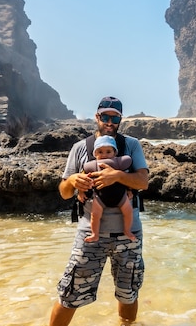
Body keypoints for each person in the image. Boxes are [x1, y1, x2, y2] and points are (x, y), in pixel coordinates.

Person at [49, 96, 149, 326]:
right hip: (89, 235)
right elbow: (64, 192)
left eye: (115, 118)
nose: (110, 122)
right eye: (106, 116)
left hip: (128, 234)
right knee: (70, 294)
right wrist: (73, 180)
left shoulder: (130, 146)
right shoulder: (80, 148)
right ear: (97, 117)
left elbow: (143, 182)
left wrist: (119, 176)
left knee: (128, 292)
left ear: (120, 119)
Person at [80, 135, 135, 242]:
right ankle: (95, 234)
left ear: (115, 153)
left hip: (120, 196)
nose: (104, 155)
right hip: (100, 197)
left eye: (108, 152)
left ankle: (127, 230)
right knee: (95, 215)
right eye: (100, 152)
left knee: (128, 212)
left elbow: (127, 175)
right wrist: (81, 191)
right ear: (95, 154)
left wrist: (129, 189)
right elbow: (83, 178)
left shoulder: (119, 163)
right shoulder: (92, 165)